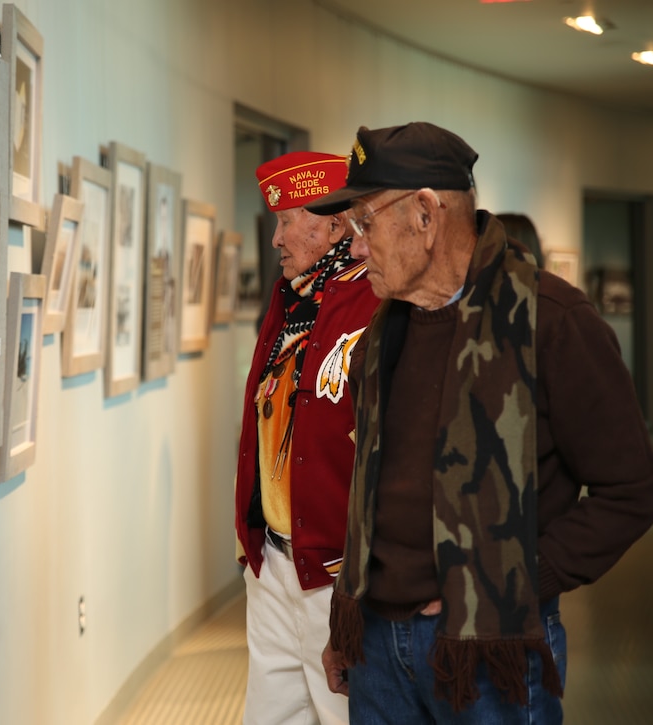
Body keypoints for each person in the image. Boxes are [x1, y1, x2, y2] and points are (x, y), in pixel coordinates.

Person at [304, 122, 653, 724]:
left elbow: (631, 492)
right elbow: (372, 497)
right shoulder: (382, 332)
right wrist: (348, 624)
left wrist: (517, 582)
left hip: (493, 649)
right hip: (377, 652)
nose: (355, 246)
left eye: (364, 222)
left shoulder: (550, 322)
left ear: (425, 213)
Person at [235, 151, 382, 725]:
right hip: (271, 559)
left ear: (334, 225)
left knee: (339, 712)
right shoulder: (290, 300)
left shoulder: (374, 301)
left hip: (335, 569)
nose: (276, 238)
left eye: (287, 219)